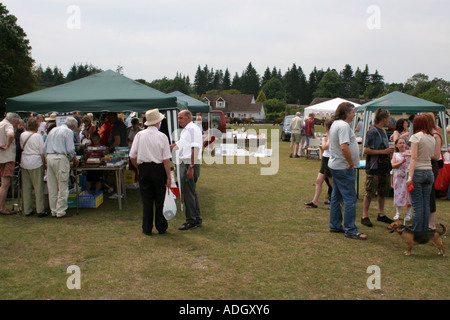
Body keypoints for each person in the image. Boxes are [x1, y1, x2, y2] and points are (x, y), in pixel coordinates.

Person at [129, 109, 172, 236]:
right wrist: (168, 176)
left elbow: (132, 156)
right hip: (158, 169)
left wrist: (139, 167)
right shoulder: (162, 136)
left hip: (144, 168)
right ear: (158, 122)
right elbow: (166, 160)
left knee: (146, 200)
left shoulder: (139, 135)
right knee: (160, 199)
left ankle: (147, 228)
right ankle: (161, 226)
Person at [328, 102, 366, 239]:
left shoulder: (336, 124)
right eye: (353, 111)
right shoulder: (343, 126)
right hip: (343, 167)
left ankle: (335, 225)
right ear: (347, 113)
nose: (355, 114)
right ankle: (350, 229)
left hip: (336, 165)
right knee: (350, 198)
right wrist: (351, 163)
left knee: (336, 196)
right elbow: (344, 147)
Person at [361, 108, 395, 227]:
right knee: (369, 192)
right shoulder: (372, 131)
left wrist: (388, 151)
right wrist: (383, 151)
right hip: (374, 168)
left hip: (384, 167)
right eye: (389, 118)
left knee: (382, 192)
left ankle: (381, 214)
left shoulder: (383, 131)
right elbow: (366, 150)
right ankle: (364, 216)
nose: (389, 120)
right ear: (384, 119)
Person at [170, 110, 203, 231]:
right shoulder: (186, 130)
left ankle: (191, 220)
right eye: (178, 118)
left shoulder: (193, 129)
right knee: (191, 192)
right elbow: (178, 144)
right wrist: (165, 147)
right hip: (186, 162)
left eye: (180, 118)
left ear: (188, 117)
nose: (178, 120)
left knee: (188, 193)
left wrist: (191, 167)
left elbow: (196, 148)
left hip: (190, 162)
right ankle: (196, 218)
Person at [43, 116, 79, 219]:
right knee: (62, 185)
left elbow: (44, 148)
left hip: (49, 157)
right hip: (60, 158)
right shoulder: (68, 132)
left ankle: (54, 210)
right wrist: (74, 158)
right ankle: (61, 211)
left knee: (52, 186)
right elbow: (70, 149)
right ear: (73, 126)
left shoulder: (53, 130)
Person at [406, 114, 436, 232]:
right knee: (425, 204)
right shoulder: (431, 138)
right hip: (429, 171)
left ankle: (417, 232)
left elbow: (414, 158)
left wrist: (410, 177)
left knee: (417, 205)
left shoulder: (415, 137)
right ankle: (424, 230)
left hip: (418, 172)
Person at [20, 117, 48, 217]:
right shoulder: (37, 136)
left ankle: (28, 209)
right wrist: (45, 163)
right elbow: (42, 152)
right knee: (38, 186)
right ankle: (40, 210)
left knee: (26, 187)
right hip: (35, 161)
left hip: (24, 161)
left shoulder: (22, 135)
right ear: (36, 126)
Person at [304, 118, 333, 208]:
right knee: (318, 180)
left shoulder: (332, 136)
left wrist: (324, 140)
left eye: (324, 126)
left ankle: (336, 202)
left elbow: (325, 147)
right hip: (325, 158)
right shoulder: (329, 135)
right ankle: (315, 201)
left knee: (332, 183)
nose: (324, 128)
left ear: (327, 127)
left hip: (329, 160)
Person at [0, 113, 22, 215]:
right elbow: (11, 135)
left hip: (1, 158)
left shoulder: (0, 124)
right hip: (7, 158)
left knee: (2, 184)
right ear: (13, 121)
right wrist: (7, 145)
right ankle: (1, 207)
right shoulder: (8, 125)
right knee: (5, 184)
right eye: (16, 122)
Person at [424, 113, 442, 230]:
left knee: (430, 194)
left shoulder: (436, 136)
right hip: (424, 165)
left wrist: (421, 155)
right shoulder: (426, 135)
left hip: (431, 166)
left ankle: (432, 223)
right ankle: (424, 221)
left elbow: (436, 156)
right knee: (424, 194)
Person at [391, 137, 412, 221]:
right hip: (398, 177)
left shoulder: (409, 152)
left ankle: (408, 214)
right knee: (398, 195)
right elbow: (393, 165)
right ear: (396, 145)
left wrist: (407, 155)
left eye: (403, 143)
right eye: (400, 143)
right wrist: (401, 162)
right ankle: (398, 213)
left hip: (407, 176)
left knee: (408, 195)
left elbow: (414, 155)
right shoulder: (395, 154)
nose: (402, 144)